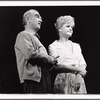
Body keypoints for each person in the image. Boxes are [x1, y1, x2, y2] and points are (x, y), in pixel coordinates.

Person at [14, 9, 57, 94]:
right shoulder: (23, 35)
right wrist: (50, 59)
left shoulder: (35, 38)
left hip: (43, 79)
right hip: (33, 81)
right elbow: (31, 55)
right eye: (37, 16)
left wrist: (52, 61)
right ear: (27, 19)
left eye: (41, 18)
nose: (41, 20)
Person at [48, 15, 87, 94]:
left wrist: (79, 76)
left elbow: (82, 63)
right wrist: (78, 69)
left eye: (72, 27)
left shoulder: (76, 46)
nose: (70, 29)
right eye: (68, 26)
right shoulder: (53, 46)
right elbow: (57, 66)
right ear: (59, 29)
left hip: (78, 78)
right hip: (63, 79)